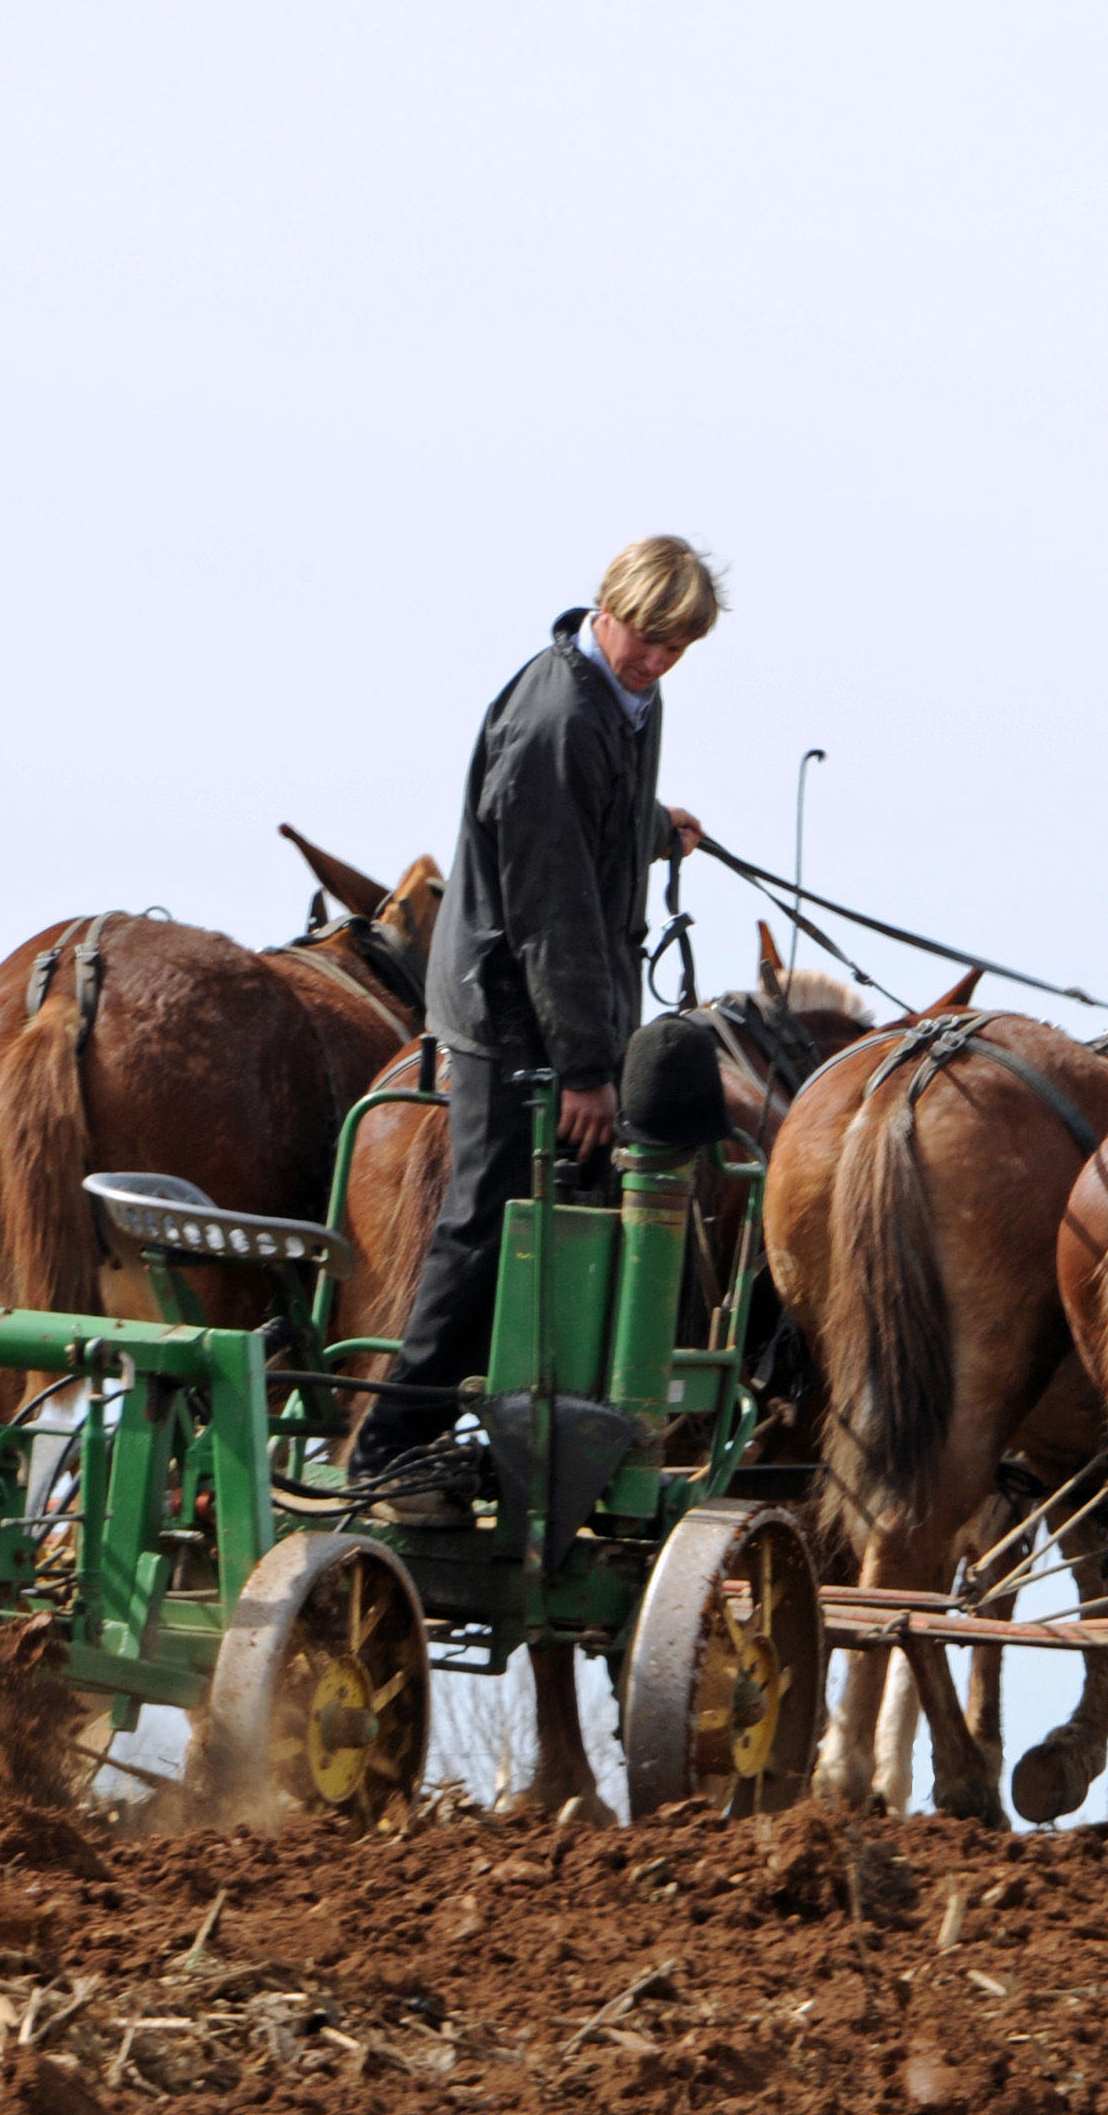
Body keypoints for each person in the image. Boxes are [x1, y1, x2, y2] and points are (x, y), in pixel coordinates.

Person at [350, 537, 720, 1497]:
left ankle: (527, 1427)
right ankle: (392, 1448)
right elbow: (549, 910)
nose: (657, 659)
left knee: (564, 1216)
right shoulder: (560, 715)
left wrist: (651, 827)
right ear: (609, 608)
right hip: (510, 1016)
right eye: (646, 637)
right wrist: (591, 1070)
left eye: (676, 647)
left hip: (551, 1010)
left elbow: (580, 830)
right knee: (486, 1224)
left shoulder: (626, 701)